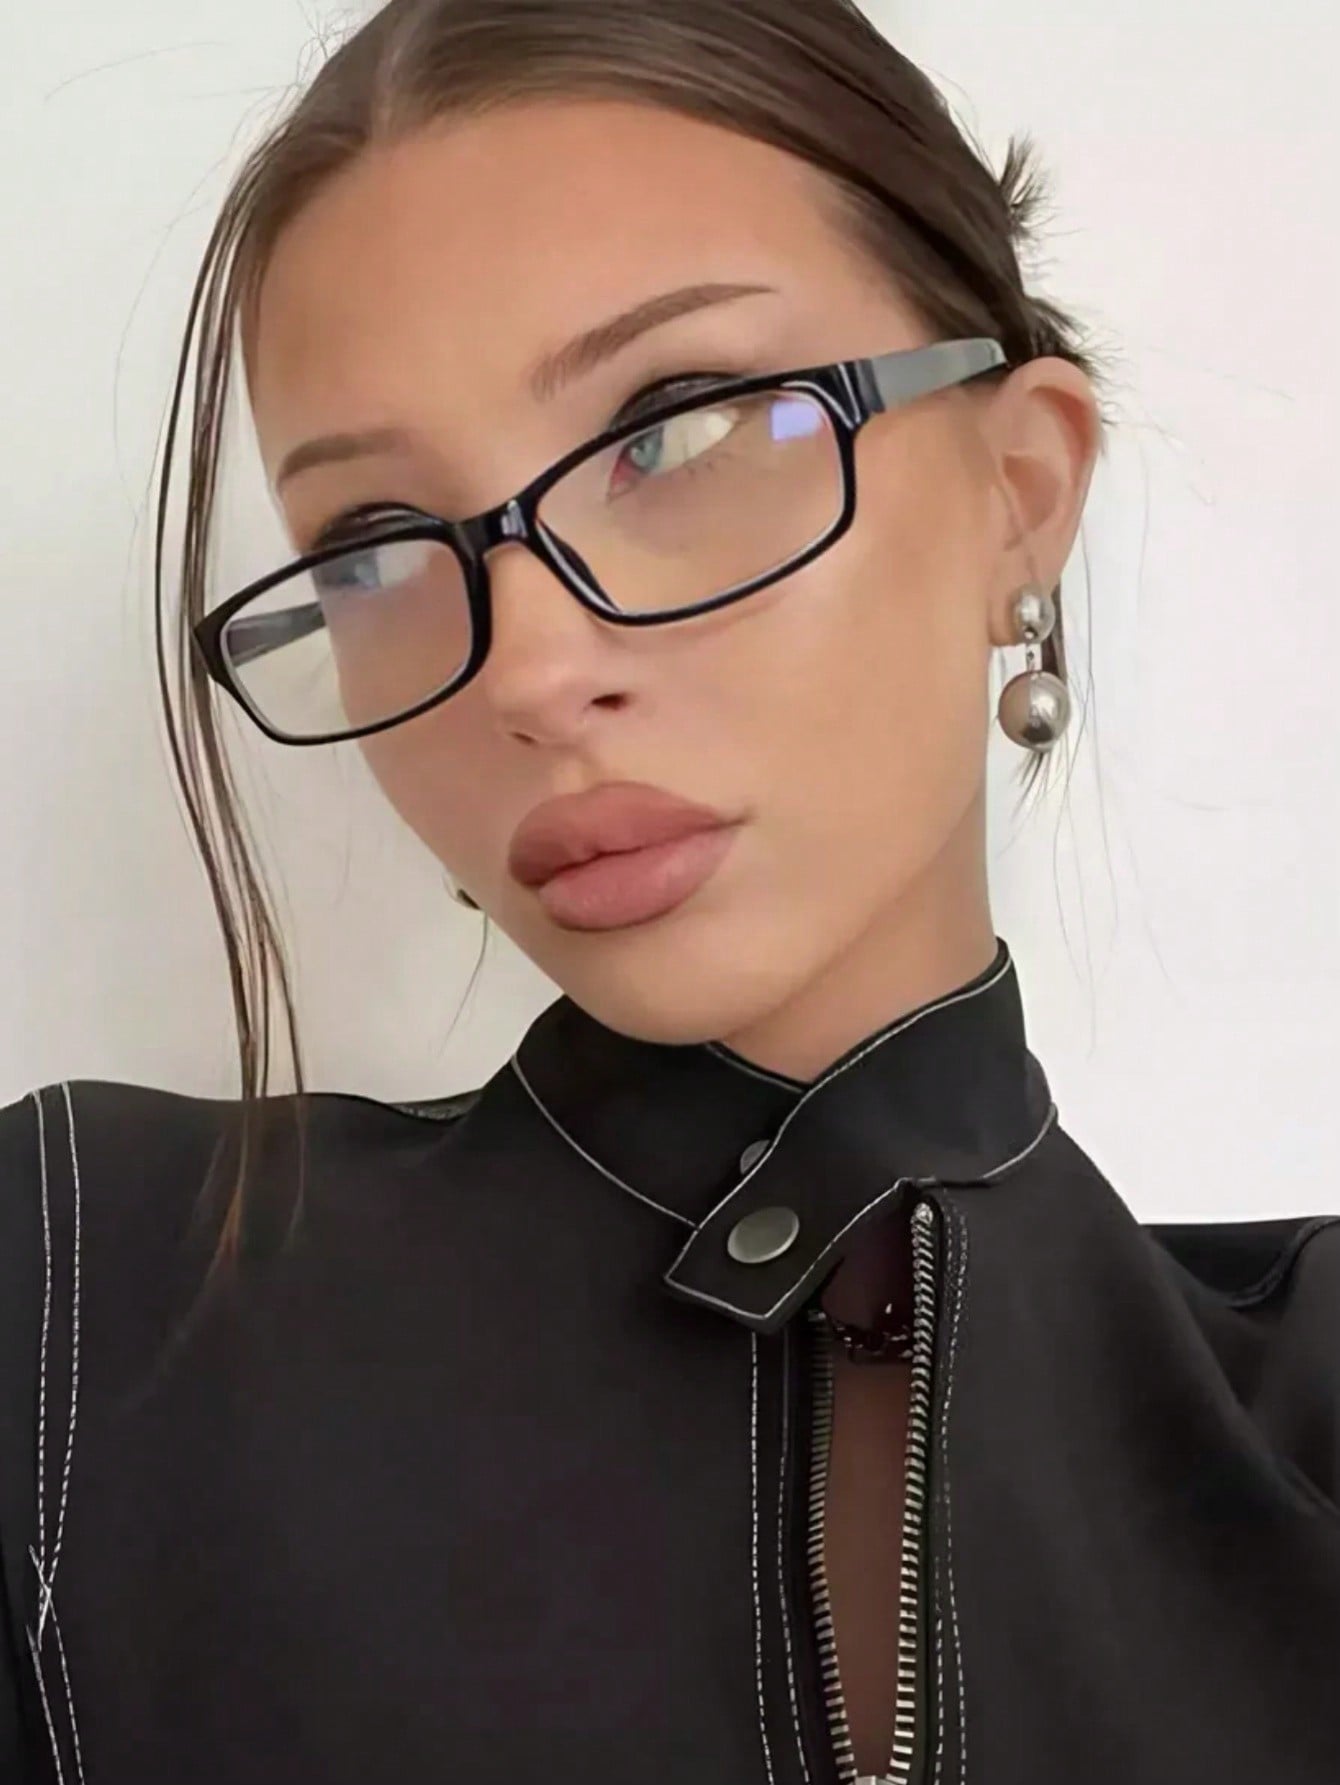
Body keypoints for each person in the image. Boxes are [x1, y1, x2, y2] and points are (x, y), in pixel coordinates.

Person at [2, 2, 1337, 1781]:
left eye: (678, 431)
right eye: (378, 548)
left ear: (1019, 489)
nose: (528, 671)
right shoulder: (78, 1304)